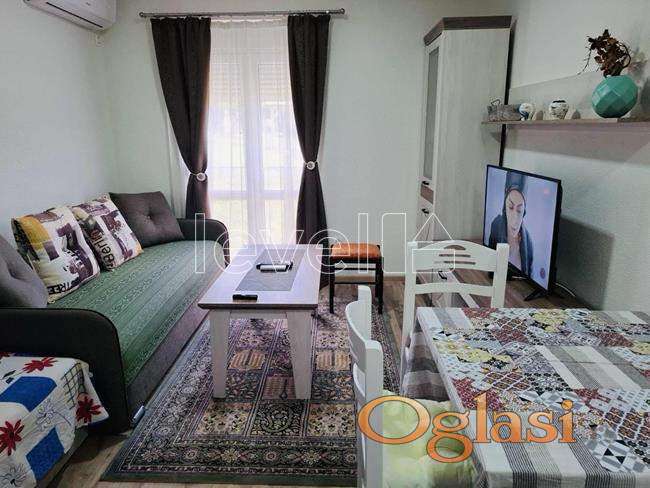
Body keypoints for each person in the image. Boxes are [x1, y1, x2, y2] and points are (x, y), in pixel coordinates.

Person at [488, 172, 534, 276]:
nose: (514, 219)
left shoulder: (529, 243)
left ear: (524, 211)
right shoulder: (496, 225)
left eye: (519, 210)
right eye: (510, 207)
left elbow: (529, 278)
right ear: (505, 206)